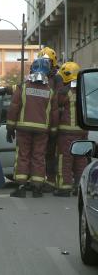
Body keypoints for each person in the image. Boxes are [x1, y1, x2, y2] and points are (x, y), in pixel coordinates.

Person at [6, 57, 58, 198]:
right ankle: (37, 188)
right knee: (39, 157)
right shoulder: (50, 91)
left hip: (23, 128)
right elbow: (54, 114)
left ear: (32, 69)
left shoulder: (23, 87)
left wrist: (10, 128)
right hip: (42, 130)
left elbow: (14, 108)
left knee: (23, 156)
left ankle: (21, 187)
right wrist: (53, 131)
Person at [55, 62, 88, 197]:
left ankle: (64, 188)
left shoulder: (65, 91)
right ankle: (79, 188)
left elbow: (55, 105)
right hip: (82, 131)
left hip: (67, 133)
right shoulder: (84, 91)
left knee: (65, 160)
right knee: (81, 160)